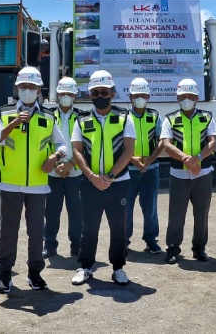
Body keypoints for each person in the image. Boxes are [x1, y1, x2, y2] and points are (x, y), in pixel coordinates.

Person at [0, 66, 67, 294]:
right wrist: (12, 125)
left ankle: (35, 274)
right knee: (8, 232)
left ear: (39, 89)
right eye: (23, 87)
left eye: (31, 87)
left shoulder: (49, 117)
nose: (27, 91)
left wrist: (54, 157)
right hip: (10, 183)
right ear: (17, 89)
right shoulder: (4, 113)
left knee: (36, 233)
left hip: (38, 185)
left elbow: (64, 145)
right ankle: (4, 275)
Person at [70, 70, 136, 286]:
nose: (100, 96)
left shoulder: (124, 117)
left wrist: (108, 177)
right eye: (96, 92)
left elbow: (128, 151)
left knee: (119, 228)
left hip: (118, 184)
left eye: (104, 92)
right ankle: (85, 266)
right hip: (90, 184)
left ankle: (118, 268)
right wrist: (91, 176)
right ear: (89, 94)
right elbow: (77, 150)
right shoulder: (82, 120)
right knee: (88, 227)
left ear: (113, 93)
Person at [160, 77, 216, 264]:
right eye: (183, 96)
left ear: (197, 98)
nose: (186, 99)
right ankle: (172, 249)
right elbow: (166, 144)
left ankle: (199, 249)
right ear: (177, 98)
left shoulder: (207, 117)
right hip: (178, 175)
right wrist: (186, 159)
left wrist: (198, 159)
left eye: (190, 96)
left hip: (203, 173)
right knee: (176, 215)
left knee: (201, 214)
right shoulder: (170, 119)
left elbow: (213, 142)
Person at [43, 77, 84, 259]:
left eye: (69, 93)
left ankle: (77, 246)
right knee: (51, 211)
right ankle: (49, 245)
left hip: (76, 172)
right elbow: (43, 142)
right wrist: (56, 163)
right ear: (57, 94)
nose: (66, 96)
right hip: (53, 171)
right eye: (63, 93)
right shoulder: (48, 115)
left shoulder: (83, 117)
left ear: (75, 95)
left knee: (77, 212)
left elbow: (86, 146)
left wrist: (72, 164)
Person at [125, 77, 164, 254]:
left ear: (148, 96)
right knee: (126, 207)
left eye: (143, 95)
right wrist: (132, 158)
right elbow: (118, 143)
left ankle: (151, 240)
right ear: (130, 96)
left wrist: (149, 160)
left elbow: (162, 142)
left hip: (151, 169)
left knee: (150, 208)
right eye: (136, 95)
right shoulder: (123, 117)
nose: (139, 98)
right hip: (128, 170)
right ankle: (123, 240)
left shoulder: (154, 116)